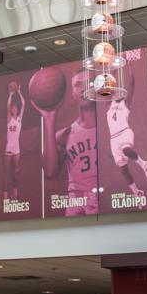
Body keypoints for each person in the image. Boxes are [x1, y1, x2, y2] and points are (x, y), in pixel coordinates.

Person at [35, 70, 98, 216]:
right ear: (73, 94)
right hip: (77, 201)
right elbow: (50, 172)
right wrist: (49, 119)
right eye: (77, 85)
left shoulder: (109, 127)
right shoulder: (65, 135)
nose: (83, 89)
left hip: (104, 197)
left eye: (88, 83)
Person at [106, 69, 147, 205]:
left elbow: (131, 85)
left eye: (118, 92)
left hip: (124, 132)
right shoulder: (109, 105)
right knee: (123, 169)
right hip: (113, 139)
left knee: (126, 149)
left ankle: (143, 164)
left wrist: (130, 70)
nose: (116, 93)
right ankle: (136, 192)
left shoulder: (125, 103)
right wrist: (113, 72)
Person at [4, 83, 25, 201]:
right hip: (8, 148)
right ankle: (5, 196)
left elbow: (23, 104)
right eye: (12, 108)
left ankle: (15, 195)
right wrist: (11, 95)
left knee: (16, 171)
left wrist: (20, 93)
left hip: (16, 148)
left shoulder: (19, 119)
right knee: (7, 173)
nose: (13, 109)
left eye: (15, 108)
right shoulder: (9, 119)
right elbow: (7, 105)